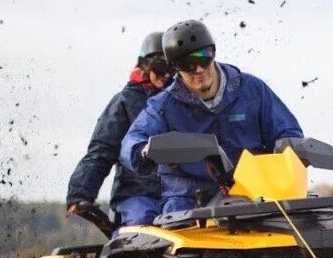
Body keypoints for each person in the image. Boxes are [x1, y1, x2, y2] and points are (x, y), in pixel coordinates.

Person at [120, 19, 303, 214]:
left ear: (213, 52)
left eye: (203, 56)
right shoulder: (163, 105)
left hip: (256, 196)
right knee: (176, 218)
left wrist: (290, 148)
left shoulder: (253, 90)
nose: (198, 69)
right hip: (189, 201)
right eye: (186, 63)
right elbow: (131, 141)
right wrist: (144, 150)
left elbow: (288, 132)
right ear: (175, 67)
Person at [66, 31, 171, 228]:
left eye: (171, 69)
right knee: (141, 230)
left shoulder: (188, 101)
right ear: (144, 65)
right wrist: (80, 192)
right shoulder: (125, 102)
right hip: (138, 194)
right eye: (160, 68)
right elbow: (102, 150)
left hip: (183, 193)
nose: (165, 77)